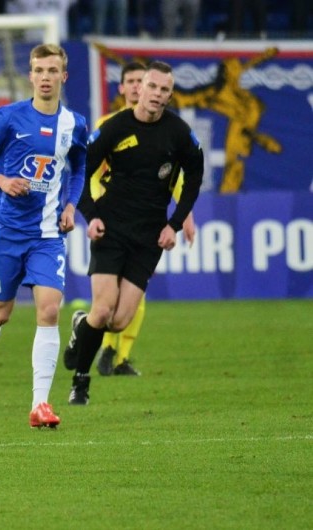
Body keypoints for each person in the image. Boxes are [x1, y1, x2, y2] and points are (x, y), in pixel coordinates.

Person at [0, 43, 88, 428]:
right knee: (0, 313)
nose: (46, 77)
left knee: (49, 310)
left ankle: (40, 405)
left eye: (53, 70)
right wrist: (1, 179)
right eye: (39, 70)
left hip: (48, 234)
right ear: (30, 76)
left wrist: (71, 206)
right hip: (8, 231)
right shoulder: (7, 118)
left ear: (64, 76)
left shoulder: (76, 124)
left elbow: (80, 169)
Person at [64, 60, 204, 405]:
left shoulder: (180, 134)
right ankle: (80, 384)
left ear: (170, 95)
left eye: (164, 90)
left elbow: (194, 180)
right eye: (151, 87)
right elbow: (80, 173)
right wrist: (91, 216)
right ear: (138, 89)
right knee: (103, 310)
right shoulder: (113, 128)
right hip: (110, 228)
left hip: (148, 238)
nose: (157, 94)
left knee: (118, 321)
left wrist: (175, 223)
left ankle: (80, 323)